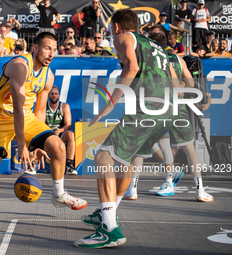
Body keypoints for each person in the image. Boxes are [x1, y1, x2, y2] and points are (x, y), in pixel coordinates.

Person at [0, 32, 88, 222]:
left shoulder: (48, 76)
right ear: (35, 48)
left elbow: (39, 112)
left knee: (58, 146)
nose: (51, 54)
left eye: (54, 50)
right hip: (0, 117)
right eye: (46, 48)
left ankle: (58, 194)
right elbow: (17, 107)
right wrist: (22, 145)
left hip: (27, 117)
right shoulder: (20, 65)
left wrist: (37, 144)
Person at [74, 9, 181, 248]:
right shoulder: (156, 46)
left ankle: (109, 230)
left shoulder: (124, 38)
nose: (111, 32)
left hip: (149, 107)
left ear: (118, 26)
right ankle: (107, 214)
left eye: (112, 28)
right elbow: (176, 82)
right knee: (125, 161)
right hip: (167, 108)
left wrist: (109, 105)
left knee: (103, 158)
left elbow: (131, 68)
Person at [124, 32, 213, 202]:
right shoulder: (177, 60)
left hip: (152, 105)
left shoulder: (144, 59)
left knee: (142, 149)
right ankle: (199, 189)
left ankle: (133, 188)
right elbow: (191, 84)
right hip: (175, 106)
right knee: (189, 149)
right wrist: (180, 87)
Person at [46, 86, 77, 175]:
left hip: (59, 134)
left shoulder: (64, 106)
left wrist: (60, 130)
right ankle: (32, 166)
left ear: (59, 96)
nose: (54, 96)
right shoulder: (43, 105)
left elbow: (68, 125)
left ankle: (70, 166)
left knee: (71, 134)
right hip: (46, 134)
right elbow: (39, 122)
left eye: (56, 94)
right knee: (33, 133)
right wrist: (48, 131)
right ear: (48, 95)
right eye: (52, 94)